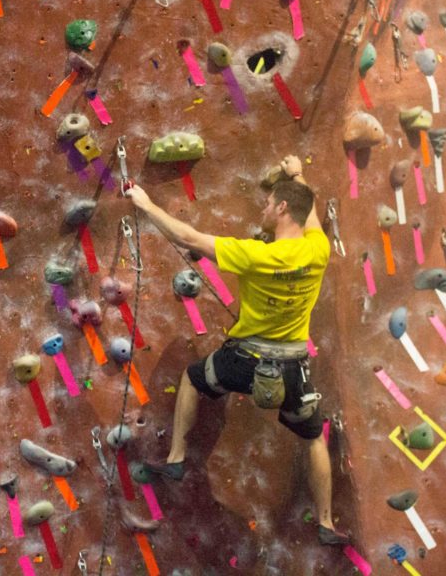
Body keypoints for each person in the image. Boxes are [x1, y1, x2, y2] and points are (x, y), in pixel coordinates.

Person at [125, 155, 350, 546]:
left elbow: (189, 238)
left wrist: (146, 205)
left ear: (281, 208)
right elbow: (309, 213)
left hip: (245, 362)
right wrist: (297, 175)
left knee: (195, 379)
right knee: (313, 437)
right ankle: (327, 524)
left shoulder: (255, 255)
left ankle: (177, 458)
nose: (263, 209)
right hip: (294, 368)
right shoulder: (318, 250)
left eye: (268, 204)